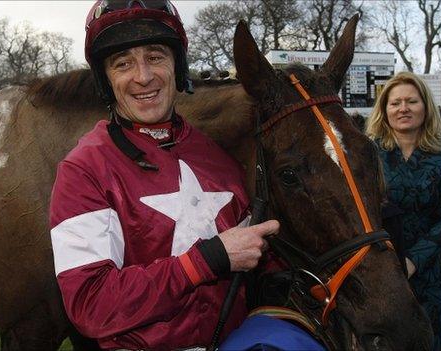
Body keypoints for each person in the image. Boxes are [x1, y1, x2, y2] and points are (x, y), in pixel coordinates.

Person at [49, 1, 323, 349]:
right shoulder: (82, 169)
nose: (144, 76)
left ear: (177, 66)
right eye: (123, 64)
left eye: (156, 57)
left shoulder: (216, 155)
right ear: (106, 79)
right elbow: (91, 304)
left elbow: (253, 258)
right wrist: (207, 260)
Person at [366, 71, 441, 351]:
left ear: (426, 107)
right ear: (384, 110)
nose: (403, 108)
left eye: (412, 101)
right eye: (395, 103)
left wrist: (414, 259)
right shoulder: (369, 154)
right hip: (375, 268)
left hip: (424, 272)